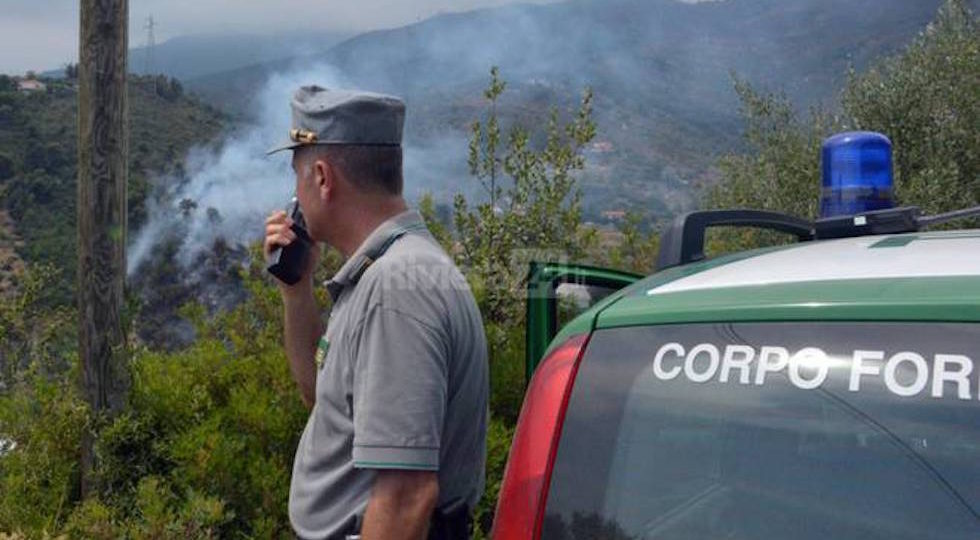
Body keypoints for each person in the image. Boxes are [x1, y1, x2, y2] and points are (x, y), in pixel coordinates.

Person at [264, 86, 489, 540]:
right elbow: (322, 401)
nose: (295, 195)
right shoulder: (391, 271)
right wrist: (296, 290)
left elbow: (406, 495)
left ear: (323, 178)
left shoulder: (395, 292)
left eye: (298, 176)